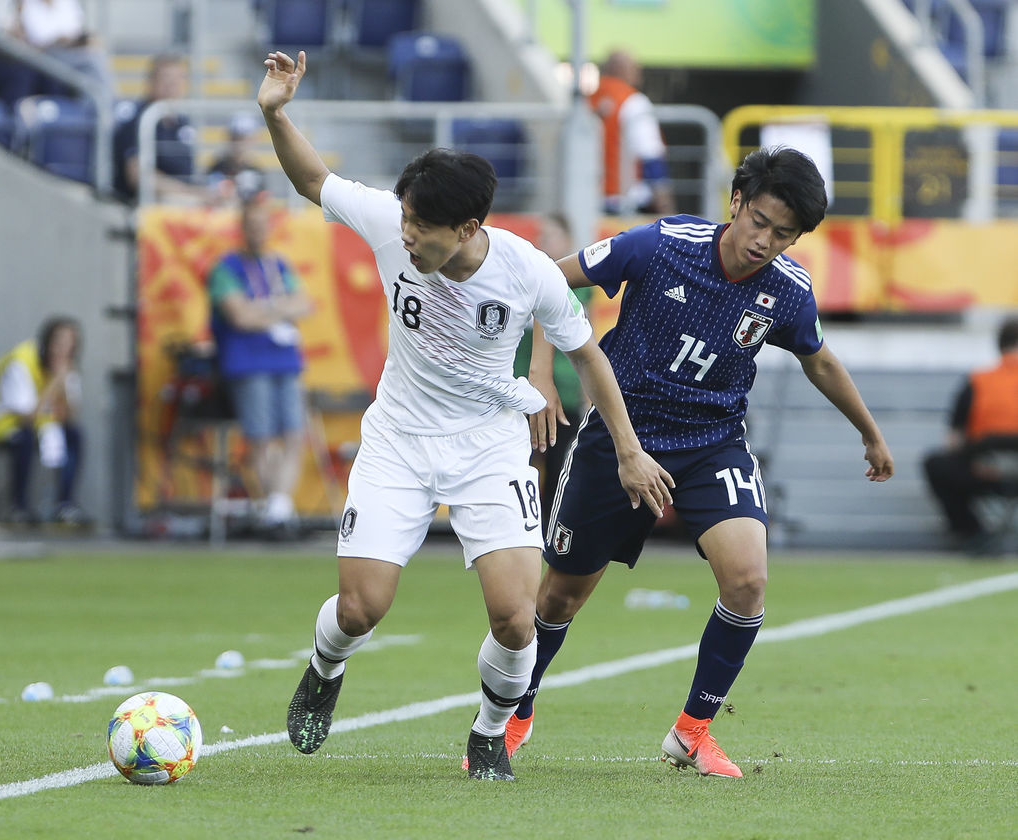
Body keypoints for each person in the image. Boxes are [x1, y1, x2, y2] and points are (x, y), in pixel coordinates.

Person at [258, 49, 672, 780]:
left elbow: (590, 357)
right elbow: (313, 179)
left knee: (517, 619)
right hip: (398, 441)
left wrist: (632, 451)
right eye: (406, 220)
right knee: (361, 609)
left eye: (422, 226)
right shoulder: (393, 224)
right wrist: (276, 112)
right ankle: (324, 671)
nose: (406, 235)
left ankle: (488, 733)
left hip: (488, 448)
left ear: (470, 226)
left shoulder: (528, 271)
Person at [513, 146, 896, 778]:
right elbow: (543, 282)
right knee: (559, 599)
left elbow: (819, 360)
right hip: (620, 435)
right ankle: (513, 715)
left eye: (784, 234)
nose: (765, 242)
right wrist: (539, 374)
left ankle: (692, 732)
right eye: (760, 223)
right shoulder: (661, 244)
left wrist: (870, 433)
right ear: (737, 202)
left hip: (711, 442)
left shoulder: (788, 291)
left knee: (747, 581)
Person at [208, 193, 312, 537]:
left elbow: (305, 304)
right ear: (241, 228)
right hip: (248, 363)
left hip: (285, 361)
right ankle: (273, 507)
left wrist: (262, 310)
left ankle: (279, 506)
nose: (257, 232)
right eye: (250, 226)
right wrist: (279, 308)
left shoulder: (278, 264)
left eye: (261, 225)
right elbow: (239, 317)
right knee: (262, 438)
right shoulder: (226, 269)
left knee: (294, 435)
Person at [513, 212, 591, 516]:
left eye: (551, 235)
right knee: (520, 467)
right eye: (541, 235)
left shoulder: (580, 288)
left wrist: (587, 396)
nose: (543, 241)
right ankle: (516, 531)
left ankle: (549, 537)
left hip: (565, 394)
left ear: (567, 241)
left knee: (559, 471)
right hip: (524, 393)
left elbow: (588, 342)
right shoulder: (524, 281)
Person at [0, 316, 88, 525]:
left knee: (74, 436)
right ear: (47, 341)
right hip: (4, 424)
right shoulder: (21, 361)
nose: (62, 351)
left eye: (68, 345)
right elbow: (26, 416)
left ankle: (65, 505)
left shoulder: (67, 367)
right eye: (58, 342)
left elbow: (71, 417)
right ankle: (18, 507)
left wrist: (63, 385)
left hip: (41, 425)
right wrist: (56, 381)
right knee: (25, 439)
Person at [923, 316, 1018, 555]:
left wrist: (976, 460)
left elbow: (954, 440)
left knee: (936, 465)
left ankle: (972, 532)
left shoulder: (978, 381)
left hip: (984, 470)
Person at [589, 49, 674, 216]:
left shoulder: (586, 102)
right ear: (622, 70)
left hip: (591, 202)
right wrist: (667, 210)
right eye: (636, 68)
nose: (639, 73)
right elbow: (651, 158)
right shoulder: (634, 102)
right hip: (627, 205)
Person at [112, 54, 201, 203]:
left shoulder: (181, 122)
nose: (172, 85)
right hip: (150, 202)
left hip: (183, 196)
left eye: (178, 79)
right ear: (151, 81)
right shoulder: (140, 120)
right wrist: (190, 193)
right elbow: (137, 176)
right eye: (166, 79)